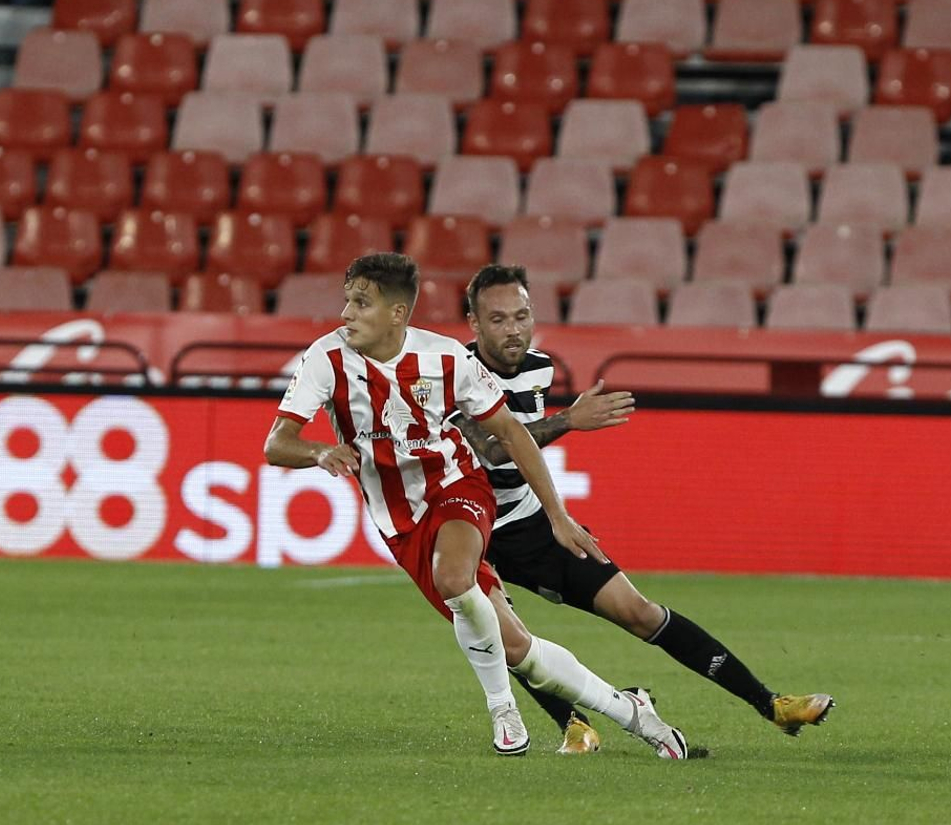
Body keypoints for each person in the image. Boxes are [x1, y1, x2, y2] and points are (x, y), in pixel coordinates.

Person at [264, 252, 691, 759]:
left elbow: (510, 432)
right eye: (348, 301)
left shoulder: (446, 358)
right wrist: (319, 452)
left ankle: (502, 708)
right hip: (399, 521)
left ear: (397, 314)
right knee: (517, 648)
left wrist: (557, 516)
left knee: (453, 576)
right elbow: (276, 444)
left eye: (360, 303)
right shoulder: (327, 358)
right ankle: (634, 713)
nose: (346, 314)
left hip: (458, 485)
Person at [454, 263, 835, 755]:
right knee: (501, 633)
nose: (513, 329)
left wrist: (556, 513)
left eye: (521, 316)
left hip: (530, 522)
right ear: (474, 323)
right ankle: (574, 724)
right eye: (499, 319)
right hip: (466, 527)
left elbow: (518, 449)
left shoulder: (539, 368)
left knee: (639, 612)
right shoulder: (453, 372)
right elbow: (493, 448)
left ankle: (772, 705)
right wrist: (568, 420)